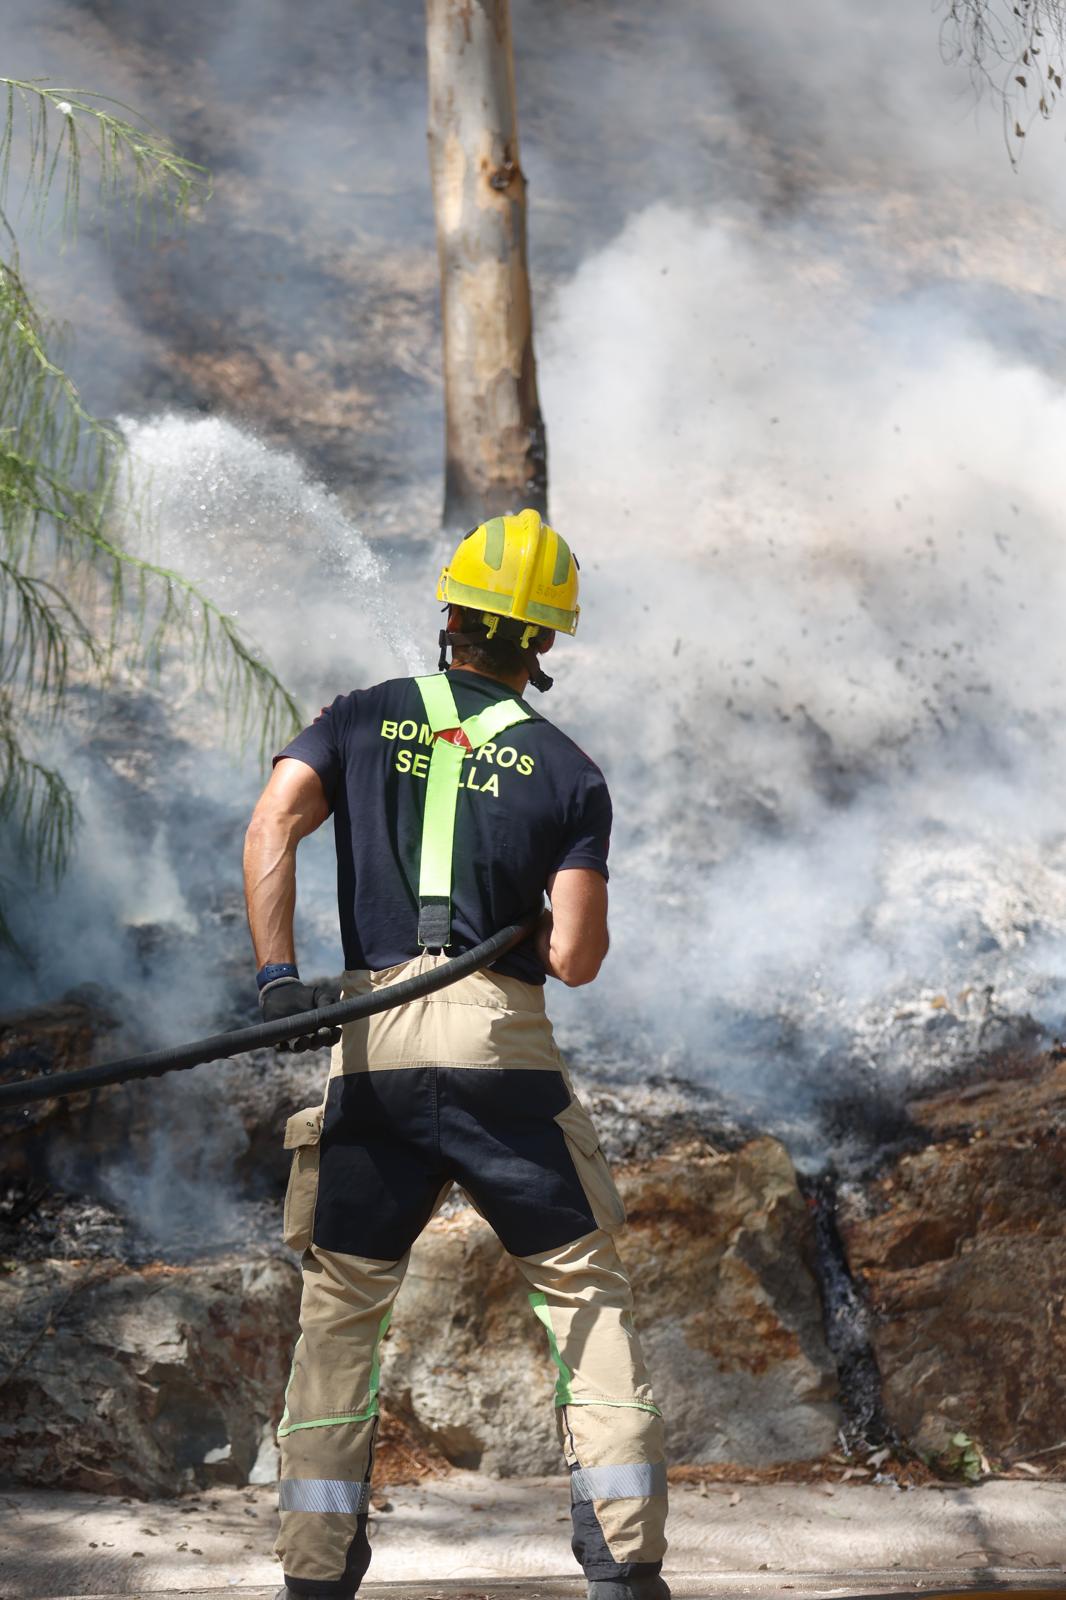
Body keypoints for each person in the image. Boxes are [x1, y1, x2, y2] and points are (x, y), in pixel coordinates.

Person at [243, 509, 669, 1600]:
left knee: (342, 1309)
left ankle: (313, 1571)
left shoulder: (358, 716)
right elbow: (574, 958)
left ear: (450, 618)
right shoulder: (568, 770)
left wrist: (278, 978)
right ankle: (623, 1566)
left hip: (372, 1045)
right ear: (546, 642)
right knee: (583, 1295)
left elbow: (273, 822)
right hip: (499, 1047)